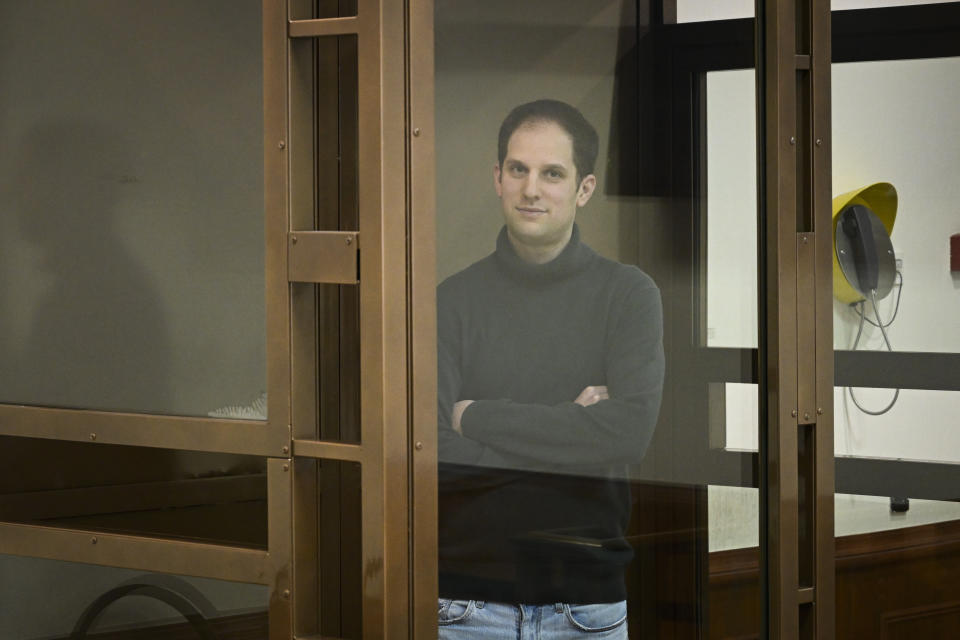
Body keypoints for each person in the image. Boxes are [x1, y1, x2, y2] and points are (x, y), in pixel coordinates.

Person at [437, 99, 665, 638]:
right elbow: (431, 450)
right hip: (467, 606)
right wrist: (574, 432)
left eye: (552, 173)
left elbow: (628, 432)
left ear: (583, 188)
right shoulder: (451, 302)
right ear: (497, 177)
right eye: (518, 169)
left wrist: (476, 417)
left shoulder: (628, 295)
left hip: (587, 608)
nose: (531, 189)